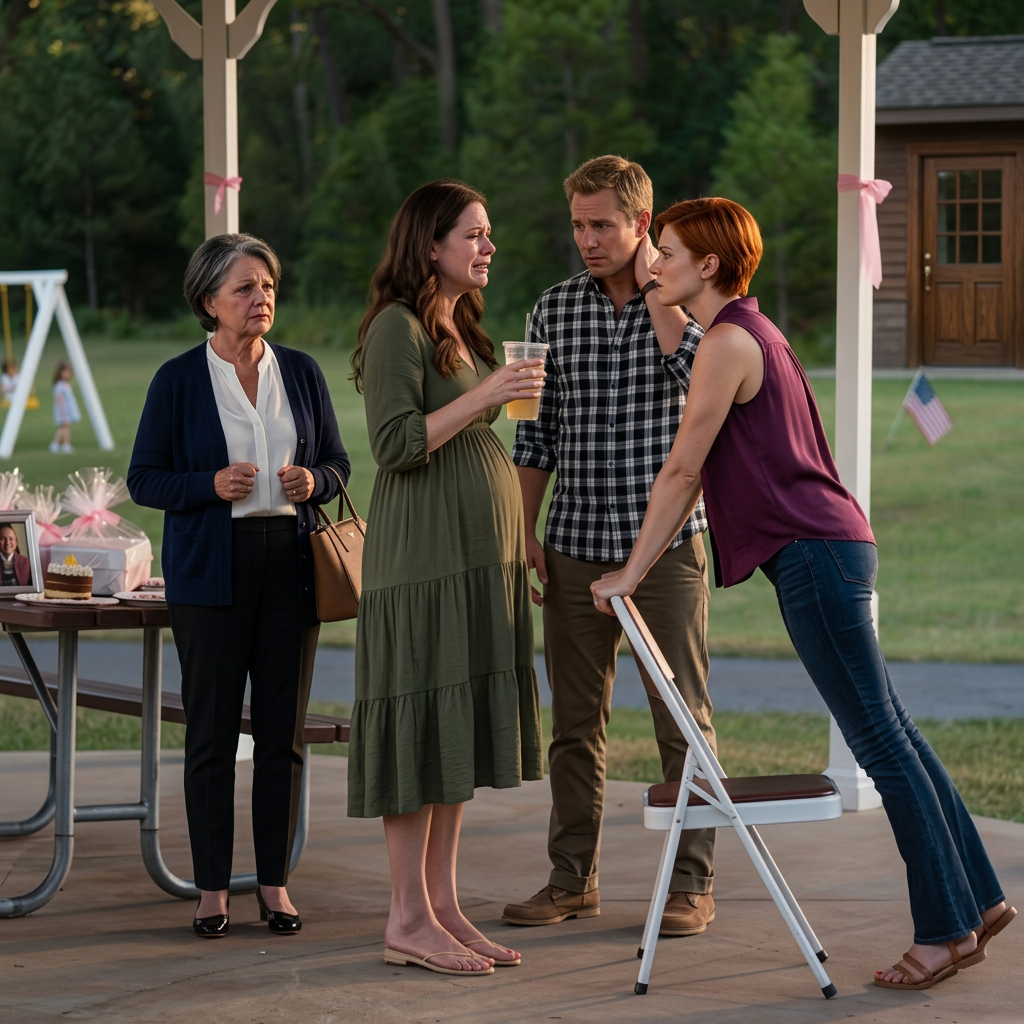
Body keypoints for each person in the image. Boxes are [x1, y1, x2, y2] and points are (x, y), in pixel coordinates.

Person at [591, 196, 1016, 990]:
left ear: (708, 264)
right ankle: (981, 902)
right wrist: (655, 288)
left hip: (814, 558)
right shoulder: (750, 330)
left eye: (669, 252)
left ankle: (944, 932)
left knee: (881, 745)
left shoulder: (727, 343)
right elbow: (694, 434)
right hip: (833, 549)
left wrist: (631, 573)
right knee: (896, 732)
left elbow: (683, 470)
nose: (656, 264)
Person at [502, 155, 718, 937]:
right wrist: (524, 533)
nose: (587, 239)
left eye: (602, 224)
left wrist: (662, 301)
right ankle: (572, 880)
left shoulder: (687, 304)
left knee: (681, 720)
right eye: (578, 225)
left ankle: (691, 884)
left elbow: (707, 391)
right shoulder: (553, 310)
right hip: (573, 547)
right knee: (574, 726)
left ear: (641, 224)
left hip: (667, 553)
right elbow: (535, 436)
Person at [347, 180, 545, 977]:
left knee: (452, 723)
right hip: (422, 558)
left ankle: (442, 905)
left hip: (477, 559)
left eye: (489, 233)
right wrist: (490, 392)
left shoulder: (460, 323)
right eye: (474, 234)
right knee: (418, 721)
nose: (489, 246)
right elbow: (394, 443)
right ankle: (405, 919)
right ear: (431, 246)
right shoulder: (395, 327)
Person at [127, 233, 350, 939]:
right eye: (245, 288)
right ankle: (212, 890)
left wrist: (315, 480)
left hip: (292, 566)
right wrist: (210, 485)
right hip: (209, 575)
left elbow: (339, 463)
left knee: (282, 734)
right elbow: (145, 479)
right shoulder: (177, 380)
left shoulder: (302, 371)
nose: (261, 299)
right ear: (209, 301)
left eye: (268, 287)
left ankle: (275, 885)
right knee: (212, 736)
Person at [50, 360, 80, 454]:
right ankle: (63, 444)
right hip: (63, 411)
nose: (67, 374)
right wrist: (63, 413)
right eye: (65, 372)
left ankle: (59, 444)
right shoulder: (60, 385)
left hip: (68, 410)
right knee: (64, 427)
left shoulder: (66, 384)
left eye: (68, 372)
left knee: (65, 427)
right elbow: (59, 399)